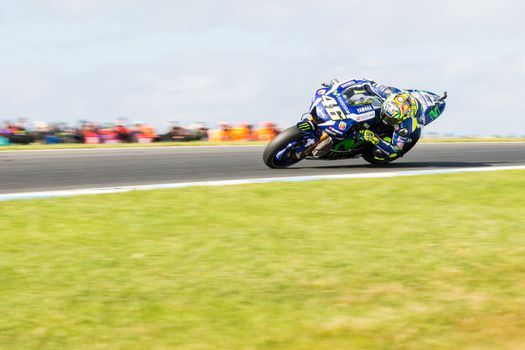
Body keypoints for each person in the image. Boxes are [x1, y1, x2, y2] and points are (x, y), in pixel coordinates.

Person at [299, 79, 446, 161]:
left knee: (383, 149)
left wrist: (374, 139)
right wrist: (337, 87)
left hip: (389, 137)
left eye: (391, 117)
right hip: (383, 106)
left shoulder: (405, 127)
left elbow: (395, 150)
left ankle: (356, 146)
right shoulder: (388, 92)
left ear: (401, 118)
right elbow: (364, 83)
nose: (386, 117)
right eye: (386, 113)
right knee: (362, 102)